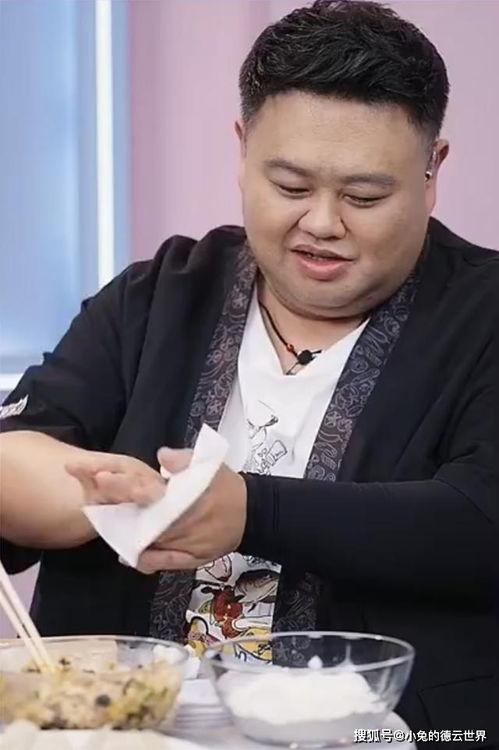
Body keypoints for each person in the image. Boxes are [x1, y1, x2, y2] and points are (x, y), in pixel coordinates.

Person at [1, 0, 498, 744]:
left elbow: (476, 518)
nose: (322, 222)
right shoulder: (157, 297)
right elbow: (16, 459)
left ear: (433, 171)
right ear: (241, 149)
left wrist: (250, 511)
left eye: (363, 196)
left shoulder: (483, 316)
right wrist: (126, 502)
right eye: (290, 186)